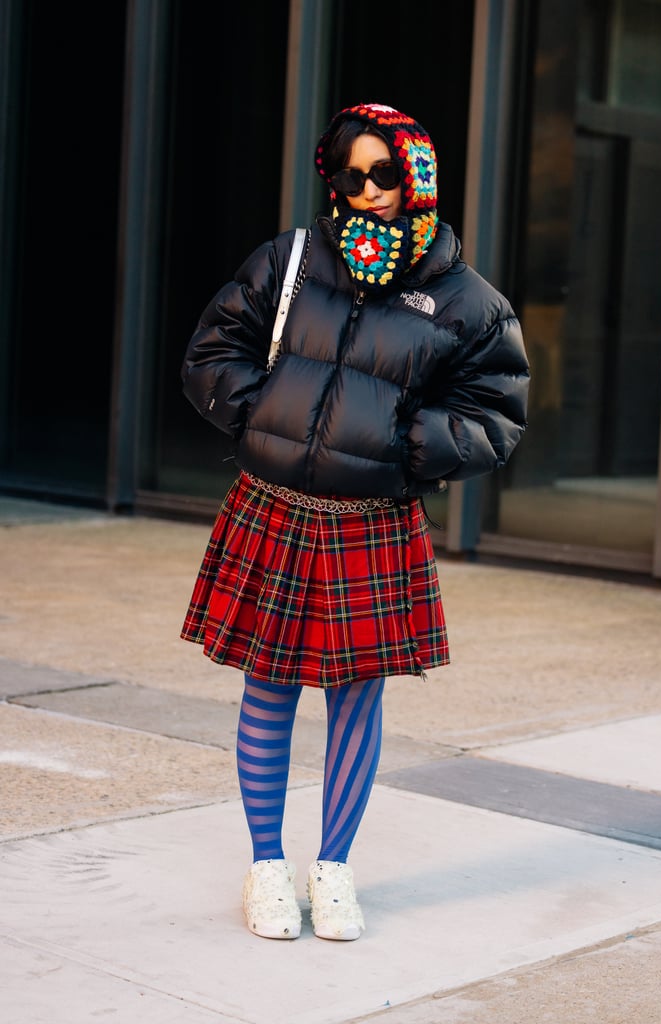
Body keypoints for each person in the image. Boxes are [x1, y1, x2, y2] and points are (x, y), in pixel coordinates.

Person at [180, 102, 529, 942]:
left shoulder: (464, 300)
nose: (366, 191)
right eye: (349, 174)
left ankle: (331, 870)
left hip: (370, 520)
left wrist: (403, 444)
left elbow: (494, 416)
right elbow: (210, 354)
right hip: (275, 506)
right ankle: (267, 866)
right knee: (267, 687)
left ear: (417, 180)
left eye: (384, 174)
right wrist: (269, 414)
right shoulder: (290, 261)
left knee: (354, 699)